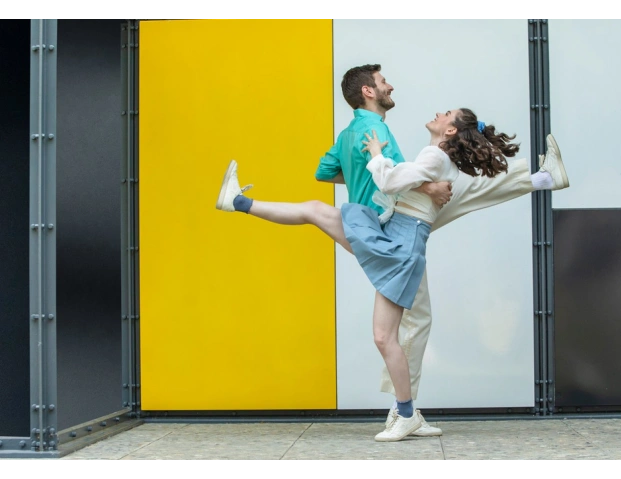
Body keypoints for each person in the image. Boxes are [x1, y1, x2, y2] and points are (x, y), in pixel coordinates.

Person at [216, 107, 567, 442]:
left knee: (385, 334)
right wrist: (417, 182)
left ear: (449, 130)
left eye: (446, 114)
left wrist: (375, 154)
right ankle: (238, 202)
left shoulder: (427, 153)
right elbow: (375, 177)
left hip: (398, 242)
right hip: (390, 233)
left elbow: (386, 180)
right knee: (316, 213)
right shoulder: (428, 154)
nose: (438, 113)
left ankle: (405, 412)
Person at [312, 65, 570, 437]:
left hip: (394, 222)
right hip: (394, 225)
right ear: (368, 91)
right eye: (383, 82)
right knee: (415, 319)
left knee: (463, 191)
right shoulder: (377, 130)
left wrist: (377, 172)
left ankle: (403, 410)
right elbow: (396, 177)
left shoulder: (355, 133)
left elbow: (326, 172)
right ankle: (402, 410)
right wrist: (425, 186)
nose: (390, 86)